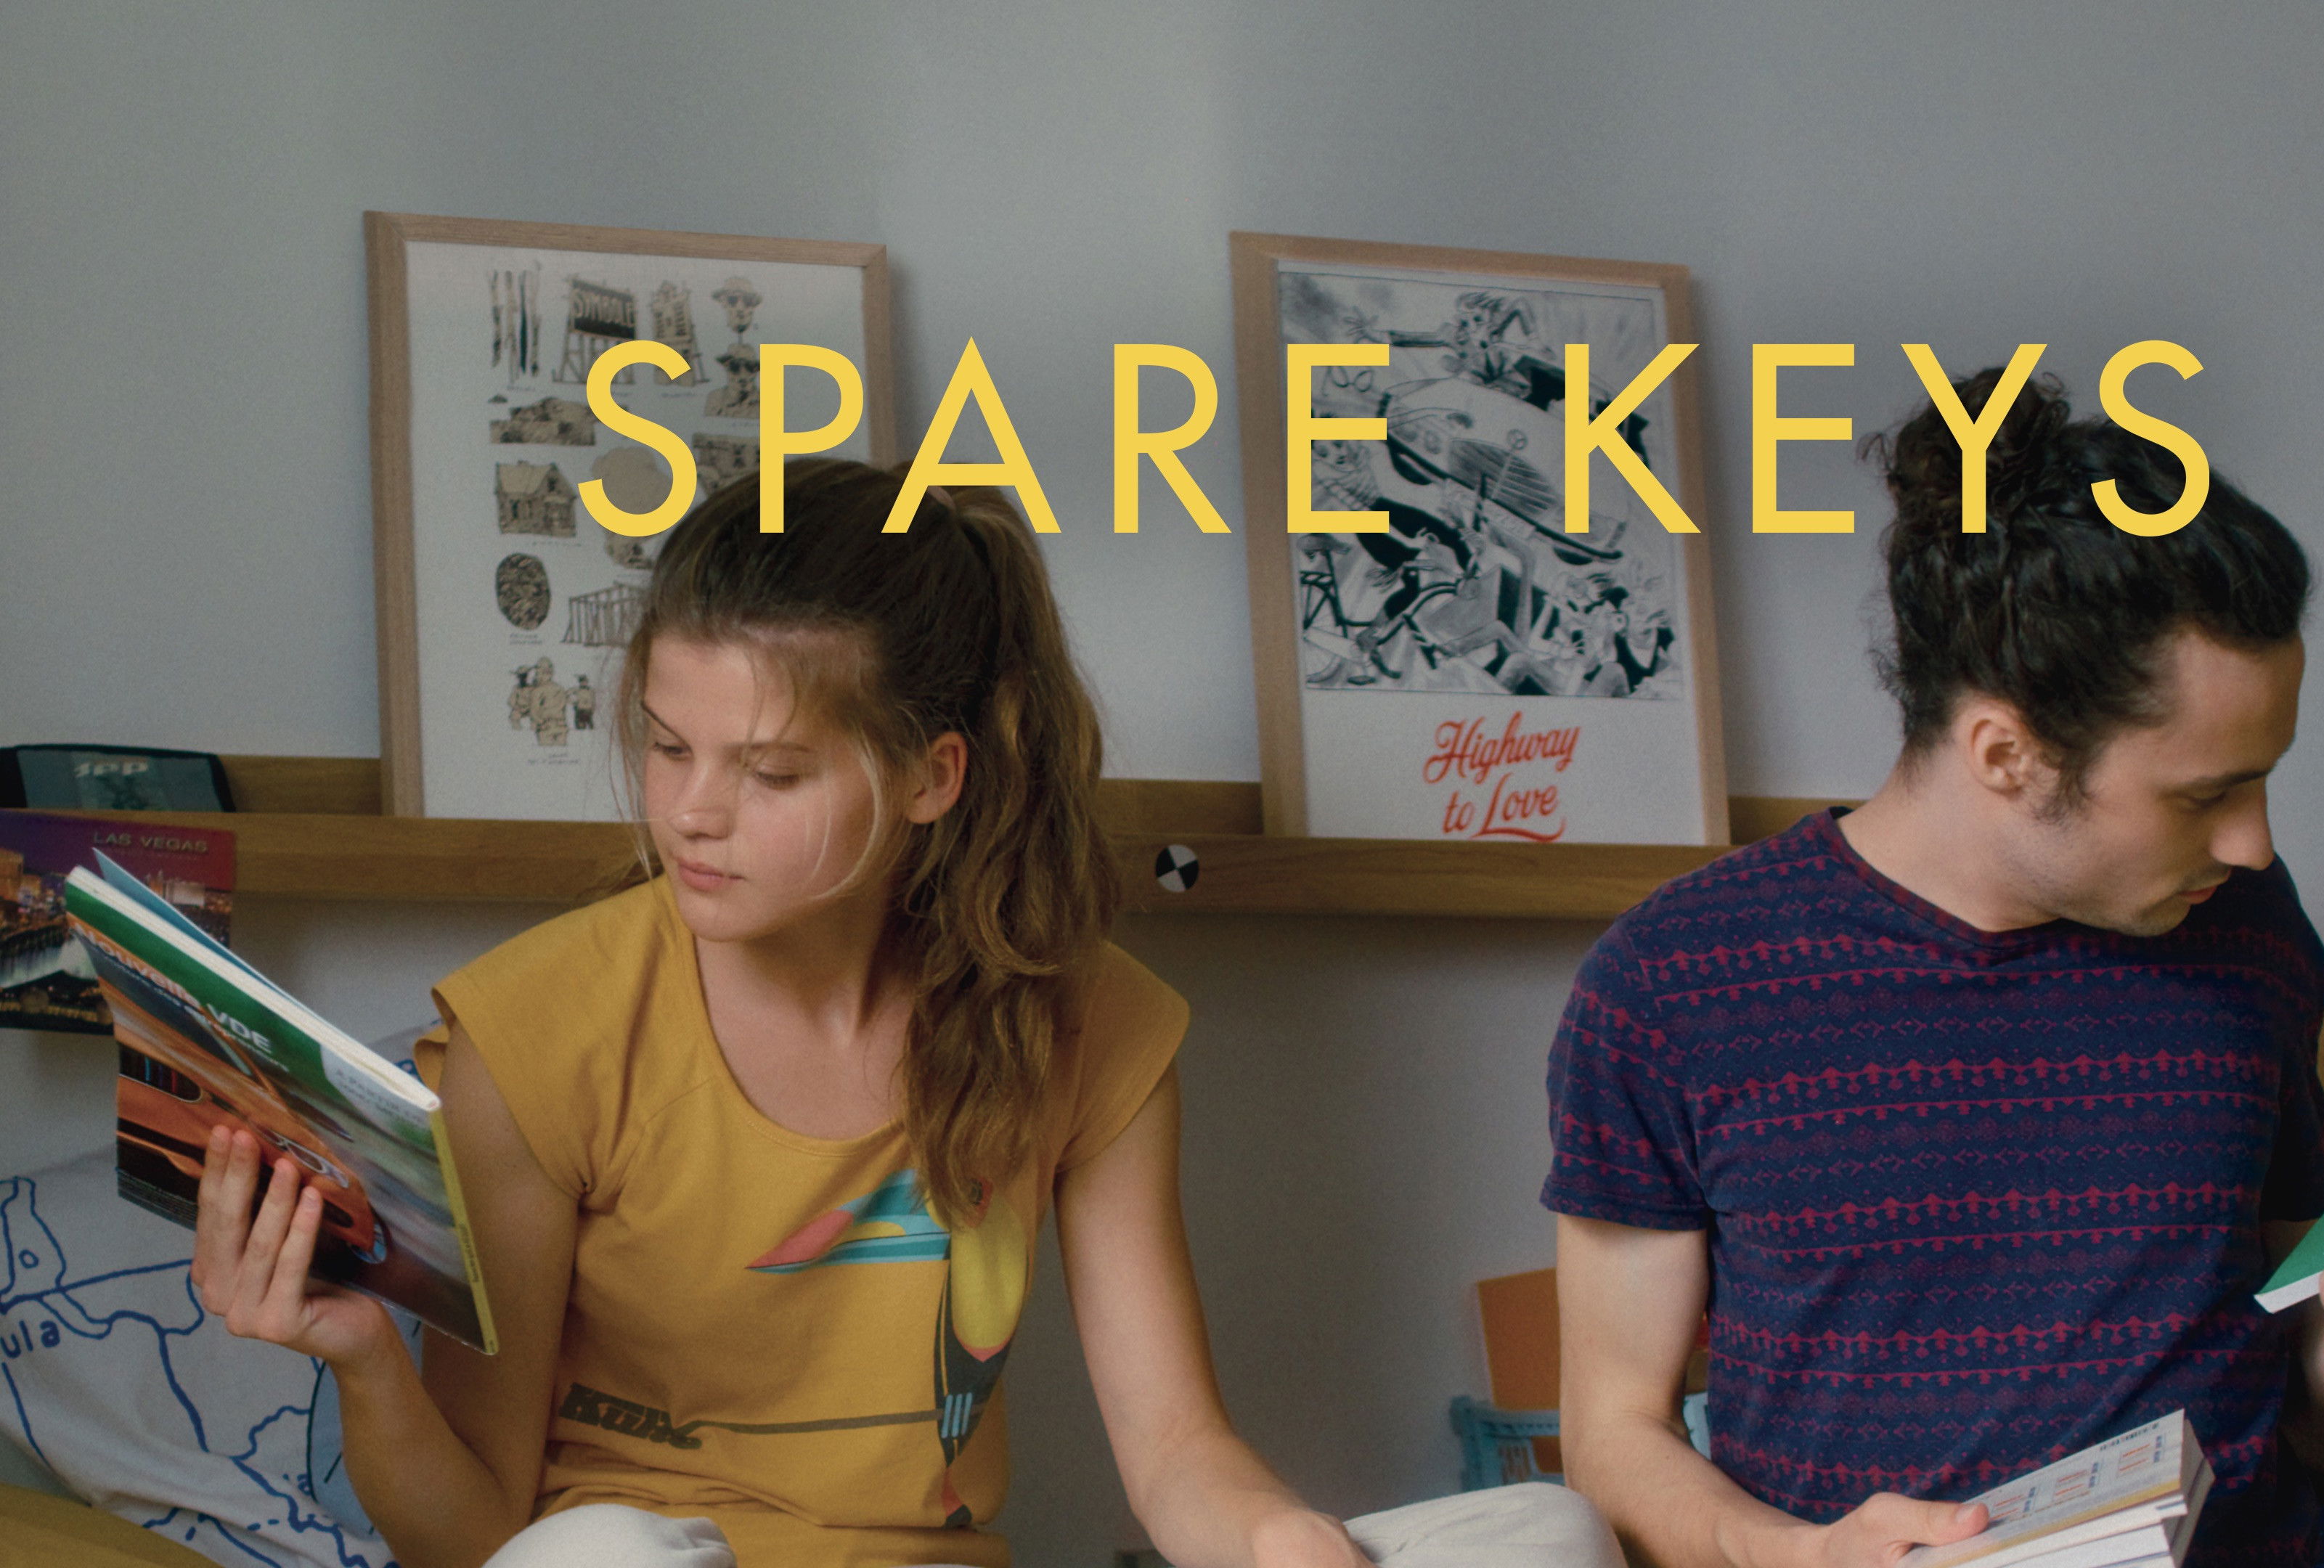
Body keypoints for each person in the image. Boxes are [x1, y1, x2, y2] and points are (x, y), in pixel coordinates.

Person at [195, 462, 1623, 1568]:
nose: (691, 813)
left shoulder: (1091, 1027)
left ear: (932, 777)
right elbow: (475, 1541)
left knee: (1547, 1535)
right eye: (669, 747)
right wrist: (364, 1356)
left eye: (769, 773)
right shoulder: (535, 1031)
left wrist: (1279, 1542)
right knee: (601, 1557)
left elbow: (1177, 1450)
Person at [1544, 370, 2324, 1568]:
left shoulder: (2251, 931)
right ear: (2006, 753)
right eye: (2205, 795)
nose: (2255, 844)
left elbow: (2283, 1376)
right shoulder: (1674, 986)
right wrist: (1802, 1557)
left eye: (2263, 780)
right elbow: (1612, 1436)